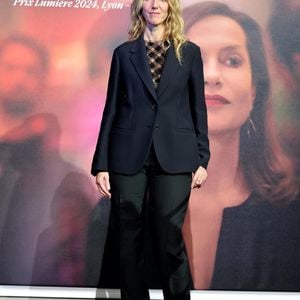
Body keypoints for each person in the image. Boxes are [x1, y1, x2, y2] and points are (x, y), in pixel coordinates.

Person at [91, 0, 210, 298]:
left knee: (170, 237)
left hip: (176, 154)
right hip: (127, 155)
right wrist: (101, 163)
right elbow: (111, 110)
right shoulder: (123, 53)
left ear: (171, 6)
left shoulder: (190, 53)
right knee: (128, 239)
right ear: (139, 6)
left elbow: (198, 108)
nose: (155, 4)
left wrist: (202, 158)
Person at [181, 1, 300, 291]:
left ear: (255, 90)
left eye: (232, 60)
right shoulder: (117, 211)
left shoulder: (290, 216)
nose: (211, 76)